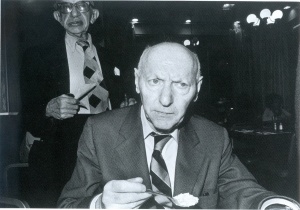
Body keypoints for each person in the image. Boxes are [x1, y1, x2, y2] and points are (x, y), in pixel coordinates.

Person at [57, 42, 285, 209]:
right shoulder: (100, 132)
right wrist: (100, 205)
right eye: (155, 81)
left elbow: (244, 191)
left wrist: (274, 205)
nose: (165, 100)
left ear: (197, 88)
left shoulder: (214, 138)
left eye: (181, 84)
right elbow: (68, 204)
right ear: (137, 81)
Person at [20, 0, 133, 207]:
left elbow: (122, 101)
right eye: (65, 7)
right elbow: (26, 114)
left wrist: (127, 105)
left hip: (107, 146)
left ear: (94, 14)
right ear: (57, 17)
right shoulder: (37, 57)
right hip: (59, 152)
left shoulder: (113, 57)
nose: (73, 14)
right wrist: (48, 109)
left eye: (81, 6)